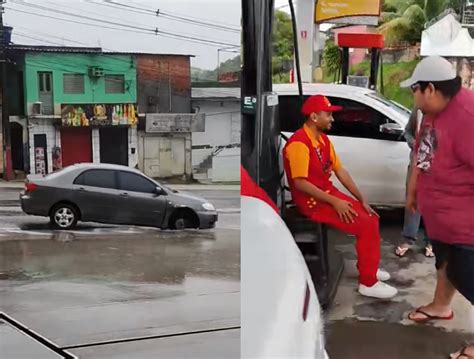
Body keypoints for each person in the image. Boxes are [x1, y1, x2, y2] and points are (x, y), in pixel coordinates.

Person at [283, 95, 398, 299]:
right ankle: (368, 283)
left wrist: (361, 198)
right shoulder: (299, 144)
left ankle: (367, 269)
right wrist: (336, 202)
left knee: (371, 217)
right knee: (366, 224)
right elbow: (300, 183)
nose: (332, 119)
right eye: (328, 114)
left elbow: (340, 171)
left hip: (327, 195)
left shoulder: (324, 140)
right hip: (312, 202)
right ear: (314, 116)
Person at [401, 56, 474, 358]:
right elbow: (423, 151)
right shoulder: (431, 111)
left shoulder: (468, 117)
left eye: (414, 90)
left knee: (467, 274)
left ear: (429, 88)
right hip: (441, 218)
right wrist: (413, 191)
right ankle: (441, 306)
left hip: (466, 225)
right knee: (444, 264)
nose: (412, 96)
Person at [395, 107, 434, 258]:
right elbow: (407, 132)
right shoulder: (418, 111)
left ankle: (431, 242)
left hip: (437, 166)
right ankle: (408, 239)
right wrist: (415, 144)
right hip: (416, 164)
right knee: (412, 202)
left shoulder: (446, 112)